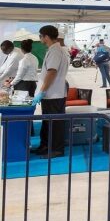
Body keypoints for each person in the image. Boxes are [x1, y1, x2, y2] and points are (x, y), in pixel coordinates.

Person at [31, 25, 69, 158]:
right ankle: (45, 146)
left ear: (46, 36)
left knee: (55, 124)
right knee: (47, 123)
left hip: (54, 94)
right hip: (50, 94)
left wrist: (42, 91)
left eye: (40, 36)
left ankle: (56, 149)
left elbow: (52, 72)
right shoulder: (53, 50)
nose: (40, 38)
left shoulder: (56, 51)